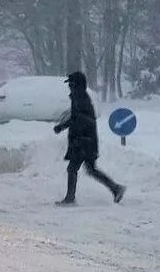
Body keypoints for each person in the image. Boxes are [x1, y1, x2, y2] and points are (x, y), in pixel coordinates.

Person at [53, 71, 125, 205]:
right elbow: (78, 118)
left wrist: (65, 127)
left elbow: (84, 120)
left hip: (83, 142)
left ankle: (70, 198)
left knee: (72, 168)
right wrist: (63, 126)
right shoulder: (79, 97)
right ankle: (116, 188)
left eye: (71, 84)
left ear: (77, 85)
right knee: (91, 170)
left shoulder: (81, 99)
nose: (69, 87)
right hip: (86, 141)